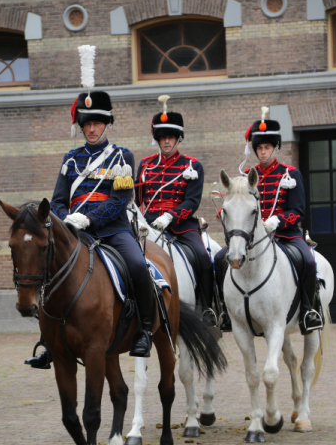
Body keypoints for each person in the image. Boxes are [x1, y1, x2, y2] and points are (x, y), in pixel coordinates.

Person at [25, 48, 154, 369]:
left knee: (138, 266)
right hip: (73, 232)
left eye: (97, 123)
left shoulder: (122, 157)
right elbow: (57, 200)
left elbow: (120, 201)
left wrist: (89, 219)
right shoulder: (71, 159)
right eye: (87, 124)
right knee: (48, 270)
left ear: (107, 124)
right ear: (81, 127)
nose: (92, 129)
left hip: (112, 231)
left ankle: (145, 330)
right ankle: (49, 341)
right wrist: (65, 218)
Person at [214, 108, 323, 335]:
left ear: (275, 147)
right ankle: (226, 310)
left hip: (286, 234)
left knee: (308, 261)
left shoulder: (290, 174)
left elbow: (298, 211)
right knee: (218, 258)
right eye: (259, 148)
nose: (263, 152)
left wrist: (277, 221)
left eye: (267, 147)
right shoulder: (246, 177)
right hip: (253, 239)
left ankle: (308, 311)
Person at [135, 95, 216, 326]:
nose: (166, 141)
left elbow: (192, 201)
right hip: (150, 224)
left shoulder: (192, 165)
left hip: (181, 225)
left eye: (170, 137)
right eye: (162, 137)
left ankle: (207, 308)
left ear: (178, 138)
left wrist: (171, 216)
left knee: (203, 257)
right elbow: (138, 199)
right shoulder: (146, 165)